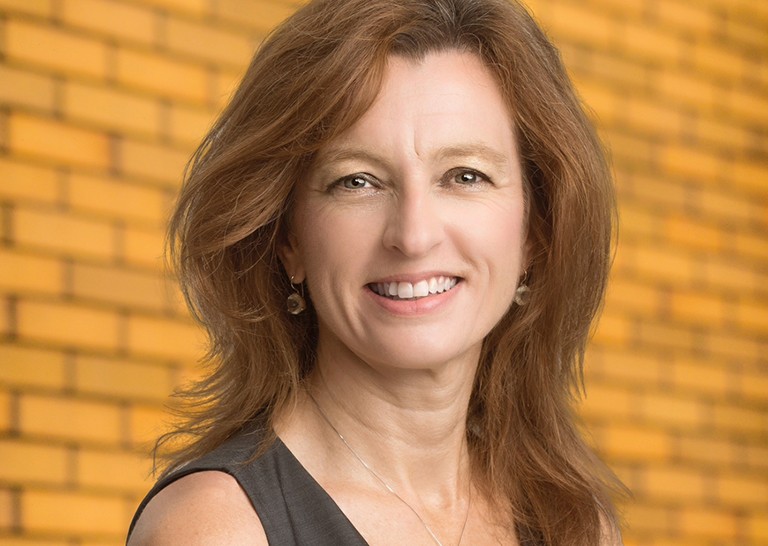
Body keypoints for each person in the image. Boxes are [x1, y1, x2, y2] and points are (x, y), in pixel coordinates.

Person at [127, 0, 625, 544]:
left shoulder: (571, 523)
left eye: (465, 175)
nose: (413, 236)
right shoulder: (216, 528)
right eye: (357, 181)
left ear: (535, 231)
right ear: (287, 239)